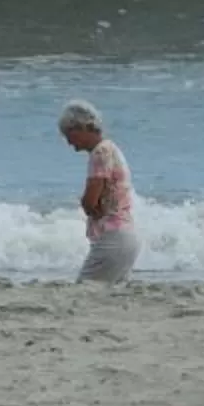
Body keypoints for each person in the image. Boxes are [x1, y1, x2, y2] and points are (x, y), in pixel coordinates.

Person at [57, 98, 141, 282]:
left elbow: (91, 202)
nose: (69, 142)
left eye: (68, 134)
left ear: (82, 127)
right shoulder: (113, 149)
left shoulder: (100, 153)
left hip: (113, 238)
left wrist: (85, 203)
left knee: (84, 288)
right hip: (129, 236)